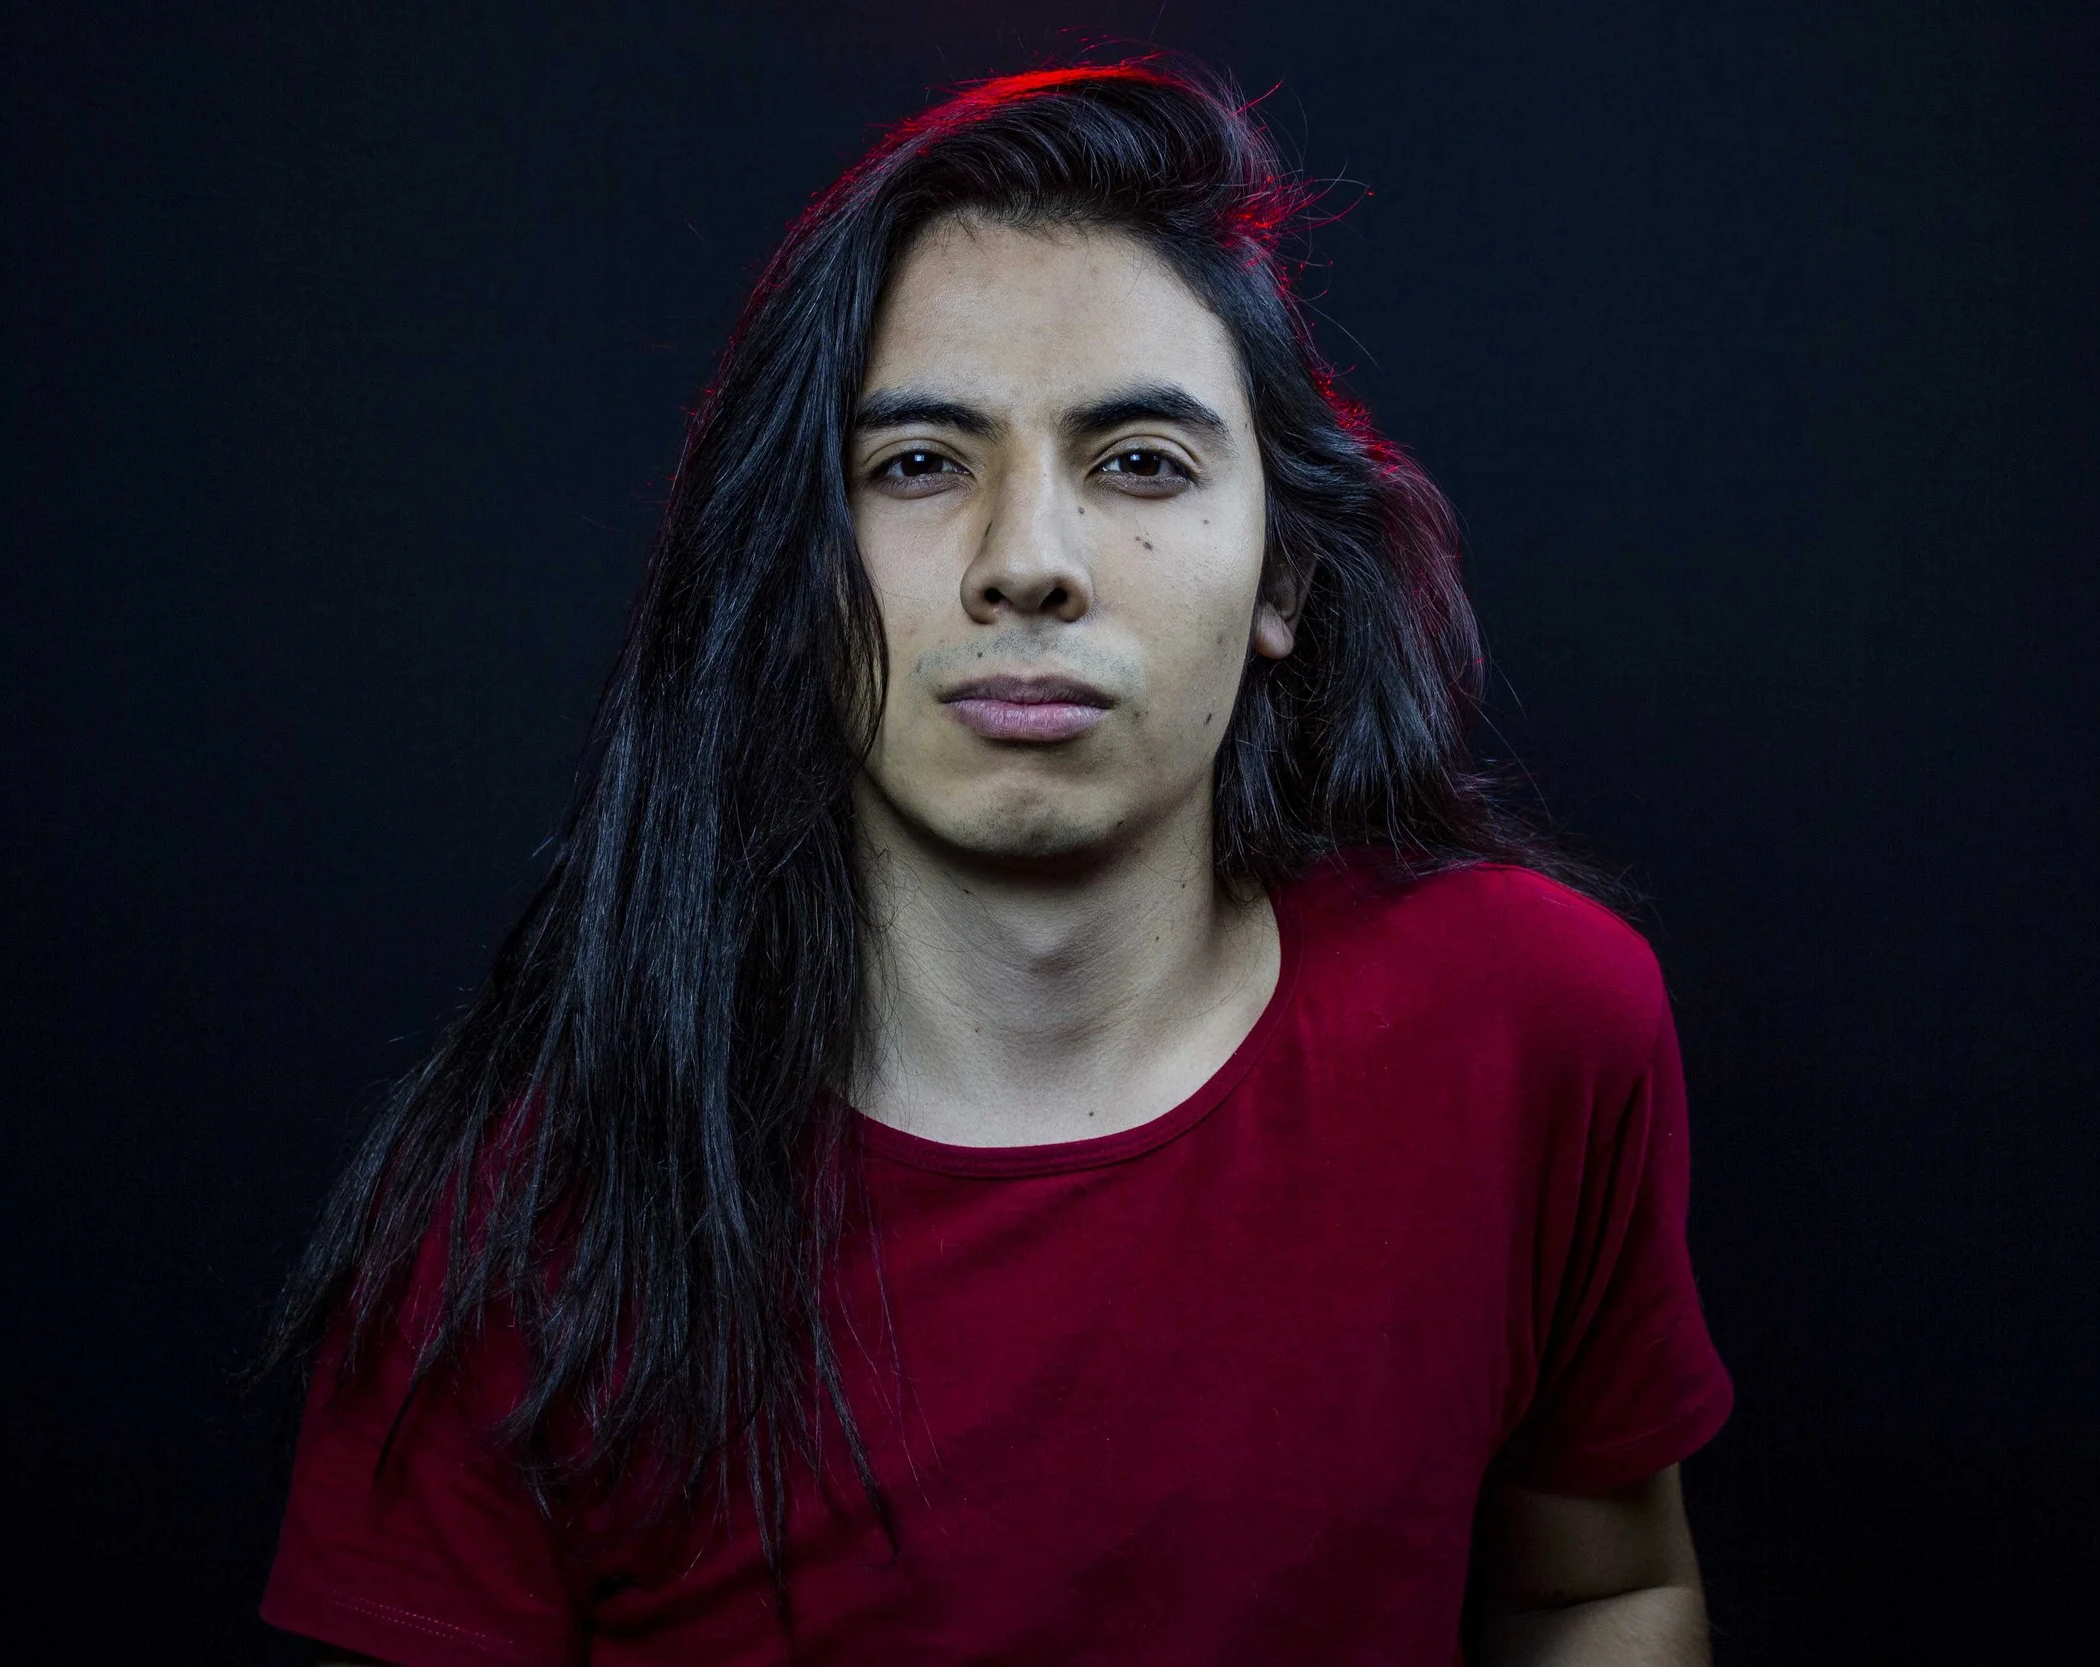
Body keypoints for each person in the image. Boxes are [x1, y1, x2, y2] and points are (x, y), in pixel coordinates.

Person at [258, 59, 1733, 1667]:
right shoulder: (528, 1213)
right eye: (918, 464)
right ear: (798, 578)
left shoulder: (1530, 1026)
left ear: (1284, 580)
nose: (1026, 562)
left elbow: (1600, 1587)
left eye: (1141, 461)